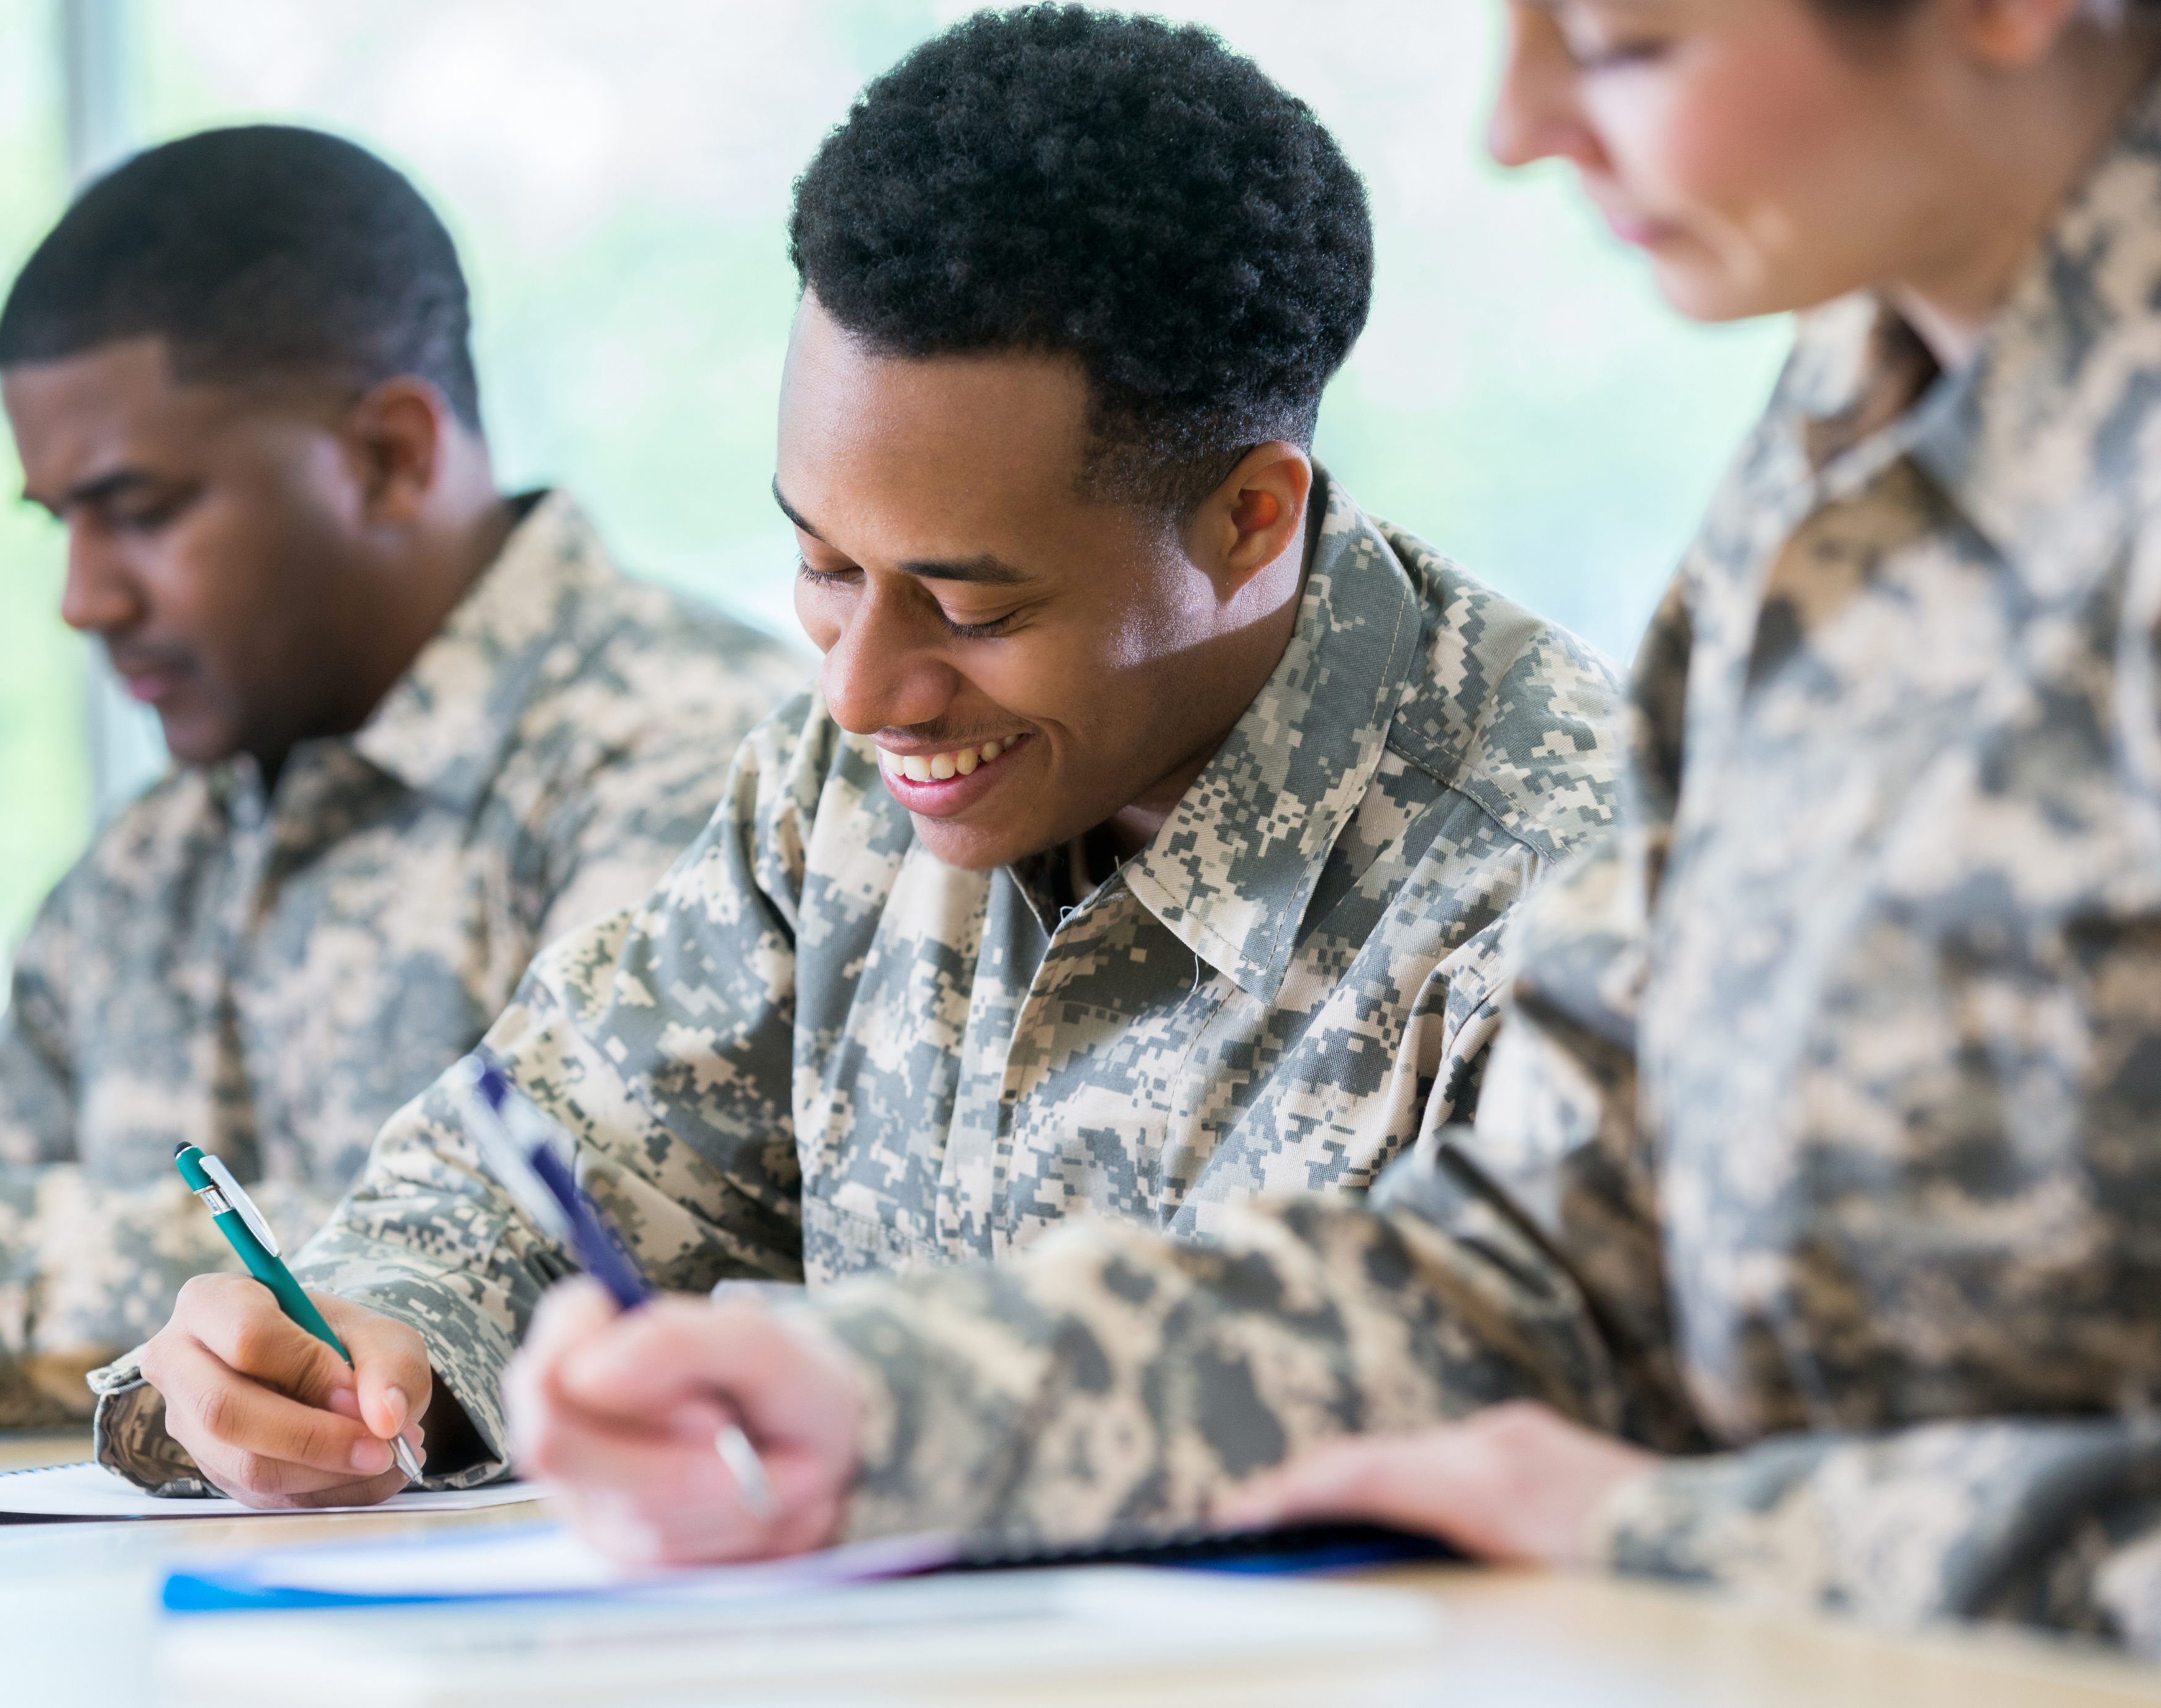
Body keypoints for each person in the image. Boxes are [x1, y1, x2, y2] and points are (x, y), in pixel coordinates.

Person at [499, 0, 2161, 1658]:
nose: (1517, 124)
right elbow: (1543, 1266)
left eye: (1626, 37)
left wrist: (1659, 1528)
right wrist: (877, 1400)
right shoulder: (1850, 441)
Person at [93, 8, 1624, 1506]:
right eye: (823, 564)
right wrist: (368, 1334)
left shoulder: (1564, 875)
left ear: (1247, 521)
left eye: (970, 601)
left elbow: (1539, 1405)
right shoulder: (842, 803)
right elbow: (529, 1178)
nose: (863, 691)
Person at [0, 125, 806, 1427]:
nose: (83, 598)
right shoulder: (171, 844)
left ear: (387, 455)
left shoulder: (704, 766)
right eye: (62, 523)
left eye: (141, 512)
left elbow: (527, 1243)